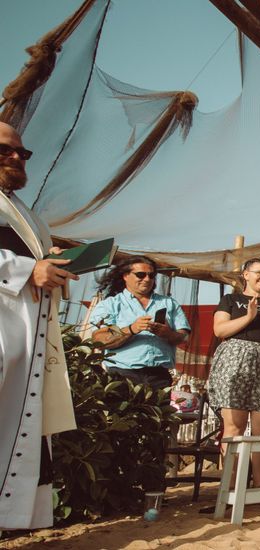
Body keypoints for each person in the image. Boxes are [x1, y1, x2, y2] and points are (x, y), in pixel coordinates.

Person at [0, 121, 77, 530]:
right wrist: (29, 269)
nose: (15, 157)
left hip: (26, 346)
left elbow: (40, 269)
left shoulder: (26, 214)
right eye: (4, 150)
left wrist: (55, 264)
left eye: (22, 152)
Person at [208, 258, 260, 489]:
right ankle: (231, 487)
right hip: (236, 358)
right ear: (245, 275)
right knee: (234, 425)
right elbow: (219, 330)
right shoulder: (230, 300)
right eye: (259, 272)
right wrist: (248, 316)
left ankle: (258, 486)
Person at [90, 256, 190, 390]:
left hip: (159, 376)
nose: (147, 279)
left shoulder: (169, 303)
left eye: (152, 275)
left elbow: (185, 336)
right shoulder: (110, 305)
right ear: (125, 276)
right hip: (121, 375)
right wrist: (131, 329)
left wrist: (168, 333)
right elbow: (99, 340)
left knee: (157, 411)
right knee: (122, 411)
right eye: (140, 275)